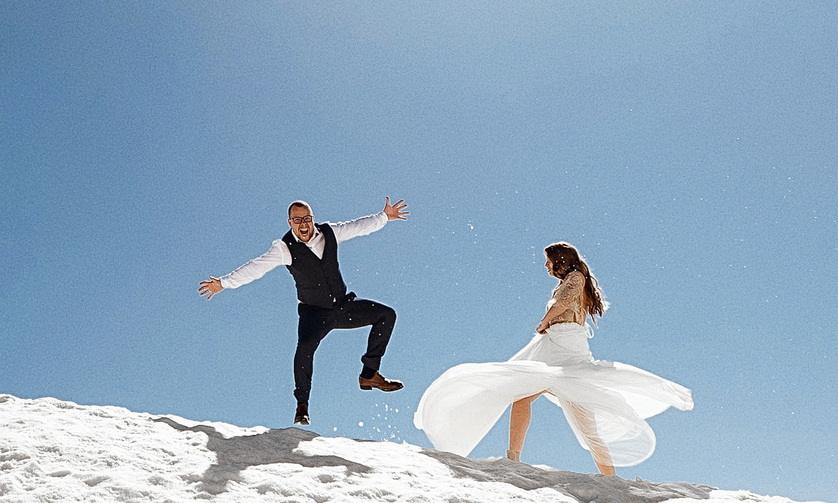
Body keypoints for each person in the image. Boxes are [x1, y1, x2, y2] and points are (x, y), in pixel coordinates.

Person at [413, 242, 691, 475]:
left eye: (548, 261)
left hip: (567, 349)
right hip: (555, 345)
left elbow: (562, 304)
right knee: (521, 393)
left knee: (585, 423)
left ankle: (610, 478)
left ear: (560, 261)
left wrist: (544, 322)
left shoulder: (575, 278)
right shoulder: (572, 279)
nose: (545, 266)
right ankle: (513, 458)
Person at [200, 198, 409, 426]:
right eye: (297, 220)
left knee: (386, 315)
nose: (303, 224)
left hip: (342, 305)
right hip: (314, 314)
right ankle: (302, 405)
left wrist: (384, 216)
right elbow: (255, 268)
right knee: (305, 348)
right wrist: (224, 283)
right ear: (290, 222)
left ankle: (369, 375)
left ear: (312, 219)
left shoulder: (329, 233)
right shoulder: (284, 249)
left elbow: (358, 226)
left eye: (307, 219)